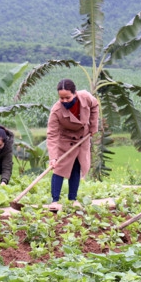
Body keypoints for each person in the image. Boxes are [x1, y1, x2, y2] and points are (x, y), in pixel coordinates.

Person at [46, 79, 99, 211]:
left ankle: (72, 199)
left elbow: (95, 106)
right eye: (61, 98)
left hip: (83, 138)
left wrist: (93, 126)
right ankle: (55, 201)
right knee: (59, 168)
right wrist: (53, 157)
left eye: (67, 97)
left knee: (76, 167)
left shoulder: (85, 97)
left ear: (75, 93)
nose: (64, 101)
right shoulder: (56, 110)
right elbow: (52, 135)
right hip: (66, 140)